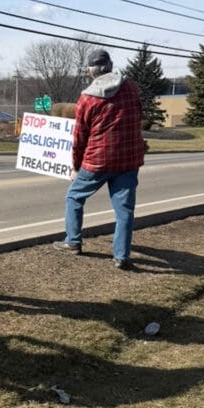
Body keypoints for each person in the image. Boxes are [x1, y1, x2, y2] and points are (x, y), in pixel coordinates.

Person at [52, 47, 146, 270]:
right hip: (129, 159)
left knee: (74, 197)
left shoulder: (87, 98)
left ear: (90, 71)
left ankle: (73, 241)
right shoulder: (131, 87)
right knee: (125, 210)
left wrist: (75, 166)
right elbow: (139, 114)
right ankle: (121, 256)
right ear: (111, 65)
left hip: (98, 160)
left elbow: (79, 137)